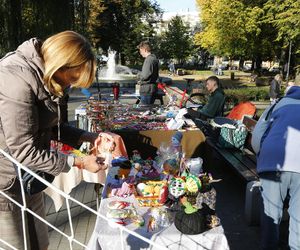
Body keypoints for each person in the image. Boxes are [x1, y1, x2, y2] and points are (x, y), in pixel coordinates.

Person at [0, 30, 114, 249]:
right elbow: (24, 151)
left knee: (39, 243)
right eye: (72, 79)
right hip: (6, 183)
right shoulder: (15, 79)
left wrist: (88, 136)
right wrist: (78, 162)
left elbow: (52, 127)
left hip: (29, 178)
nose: (70, 86)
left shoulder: (47, 77)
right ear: (60, 65)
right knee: (15, 245)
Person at [252, 82, 300, 250]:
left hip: (273, 162)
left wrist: (262, 157)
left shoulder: (278, 104)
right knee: (298, 218)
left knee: (271, 215)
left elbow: (257, 137)